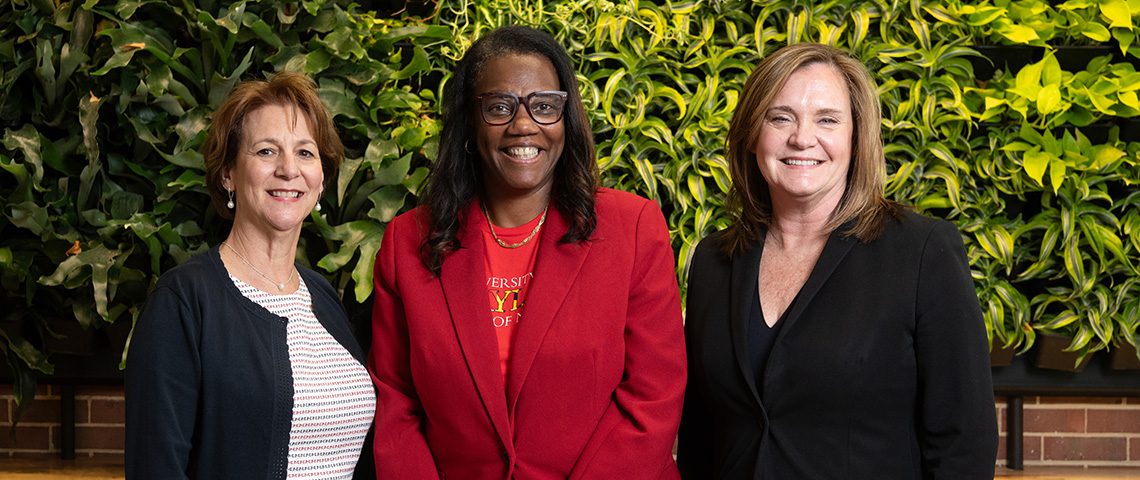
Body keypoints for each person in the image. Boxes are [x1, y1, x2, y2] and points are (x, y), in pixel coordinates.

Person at [368, 25, 686, 479]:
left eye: (544, 106)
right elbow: (397, 404)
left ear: (565, 119)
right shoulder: (407, 242)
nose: (523, 124)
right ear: (470, 124)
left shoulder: (632, 228)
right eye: (499, 107)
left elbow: (653, 398)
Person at [676, 43, 998, 479]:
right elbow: (701, 435)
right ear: (752, 134)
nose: (802, 137)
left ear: (855, 136)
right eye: (780, 117)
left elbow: (964, 441)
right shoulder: (715, 261)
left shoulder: (923, 253)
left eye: (826, 119)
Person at [125, 72, 375, 479]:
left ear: (322, 178)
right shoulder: (184, 301)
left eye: (306, 153)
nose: (289, 169)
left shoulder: (322, 295)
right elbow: (156, 467)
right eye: (265, 151)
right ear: (228, 174)